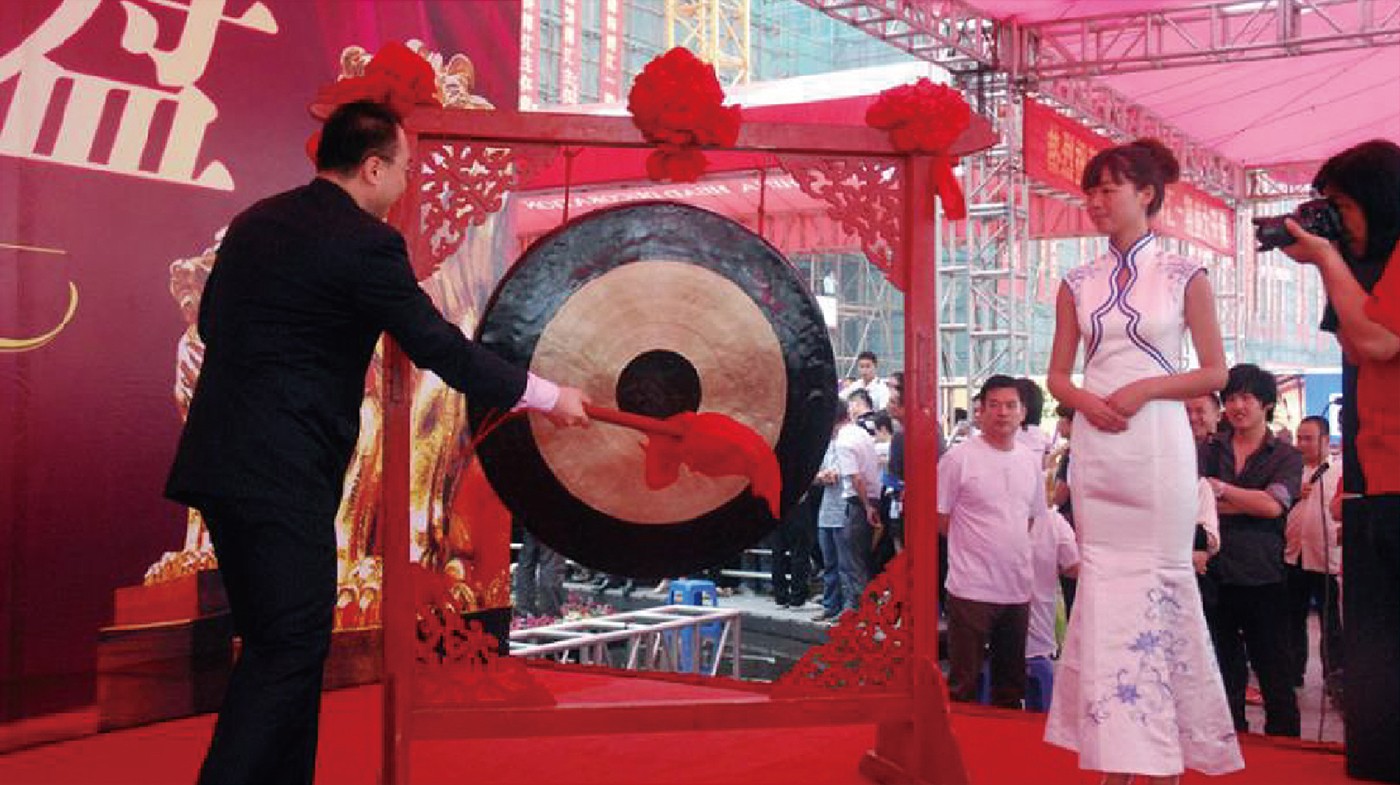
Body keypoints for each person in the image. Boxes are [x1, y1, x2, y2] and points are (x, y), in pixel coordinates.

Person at [164, 101, 590, 785]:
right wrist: (546, 395)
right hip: (283, 472)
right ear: (371, 167)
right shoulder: (366, 243)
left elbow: (213, 323)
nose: (404, 183)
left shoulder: (255, 222)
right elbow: (439, 346)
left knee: (284, 642)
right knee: (288, 646)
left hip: (217, 464)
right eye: (404, 169)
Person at [1042, 138, 1242, 782]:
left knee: (1161, 581)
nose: (1096, 202)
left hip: (1156, 441)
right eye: (1091, 191)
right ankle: (1115, 753)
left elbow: (1214, 371)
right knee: (1103, 585)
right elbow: (1058, 375)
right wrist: (1084, 403)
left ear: (1147, 194)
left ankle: (1165, 753)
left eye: (1109, 190)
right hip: (1098, 446)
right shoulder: (1076, 281)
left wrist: (1146, 389)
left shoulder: (1186, 274)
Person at [1278, 138, 1400, 783]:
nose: (1336, 221)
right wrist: (1335, 259)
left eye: (1342, 206)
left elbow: (1377, 340)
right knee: (1376, 651)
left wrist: (1327, 256)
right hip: (1377, 482)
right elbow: (1356, 340)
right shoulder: (1370, 266)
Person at [1199, 364, 1303, 738]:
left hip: (1265, 579)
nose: (1236, 406)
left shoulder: (1286, 456)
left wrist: (1221, 491)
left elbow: (1274, 506)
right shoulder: (1208, 449)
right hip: (1215, 577)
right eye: (1230, 399)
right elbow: (1195, 504)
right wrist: (1248, 501)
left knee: (1276, 675)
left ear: (1267, 404)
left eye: (1246, 398)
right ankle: (1231, 745)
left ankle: (1286, 751)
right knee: (1222, 677)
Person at [937, 375, 1047, 707]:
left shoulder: (1030, 460)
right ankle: (959, 740)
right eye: (994, 405)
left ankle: (1004, 742)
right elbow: (939, 516)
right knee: (963, 684)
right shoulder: (958, 459)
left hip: (1016, 588)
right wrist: (974, 547)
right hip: (970, 589)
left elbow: (1030, 518)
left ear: (1023, 412)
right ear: (980, 411)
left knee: (1010, 687)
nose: (1003, 413)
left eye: (1011, 406)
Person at [1282, 415, 1342, 694]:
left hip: (1326, 558)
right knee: (1293, 619)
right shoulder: (1290, 471)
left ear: (1325, 440)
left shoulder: (1339, 471)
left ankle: (1335, 679)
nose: (1301, 444)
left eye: (1308, 438)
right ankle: (1293, 672)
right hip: (1294, 557)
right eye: (1299, 438)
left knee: (1330, 623)